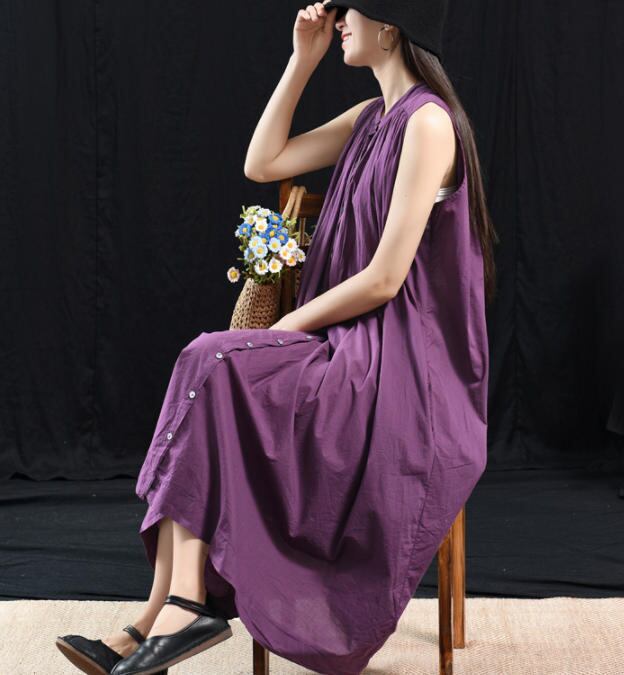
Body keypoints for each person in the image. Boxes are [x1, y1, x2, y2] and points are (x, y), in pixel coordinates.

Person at [56, 1, 498, 673]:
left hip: (402, 367)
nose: (339, 19)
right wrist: (302, 61)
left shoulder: (429, 123)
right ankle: (162, 612)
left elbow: (386, 278)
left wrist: (289, 325)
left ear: (391, 26)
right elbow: (262, 162)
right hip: (350, 345)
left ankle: (174, 612)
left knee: (218, 360)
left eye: (350, 10)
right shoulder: (371, 119)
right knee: (204, 359)